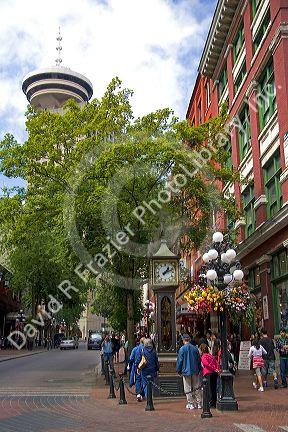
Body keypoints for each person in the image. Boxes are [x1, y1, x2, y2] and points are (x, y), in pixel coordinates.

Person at [176, 333, 202, 410]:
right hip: (195, 370)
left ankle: (190, 403)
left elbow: (180, 361)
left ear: (184, 340)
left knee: (187, 387)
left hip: (186, 371)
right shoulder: (195, 348)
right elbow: (198, 360)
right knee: (196, 386)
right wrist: (199, 369)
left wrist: (178, 370)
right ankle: (199, 402)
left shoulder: (182, 349)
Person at [199, 343, 219, 408]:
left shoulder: (204, 356)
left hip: (208, 374)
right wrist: (216, 369)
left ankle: (210, 402)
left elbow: (206, 364)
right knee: (213, 388)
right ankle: (214, 402)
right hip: (214, 373)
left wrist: (213, 368)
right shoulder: (211, 356)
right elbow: (216, 363)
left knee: (209, 388)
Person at [128, 337, 145, 401]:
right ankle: (143, 394)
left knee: (138, 380)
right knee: (144, 380)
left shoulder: (135, 349)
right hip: (145, 367)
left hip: (138, 367)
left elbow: (131, 358)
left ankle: (138, 394)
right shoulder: (147, 349)